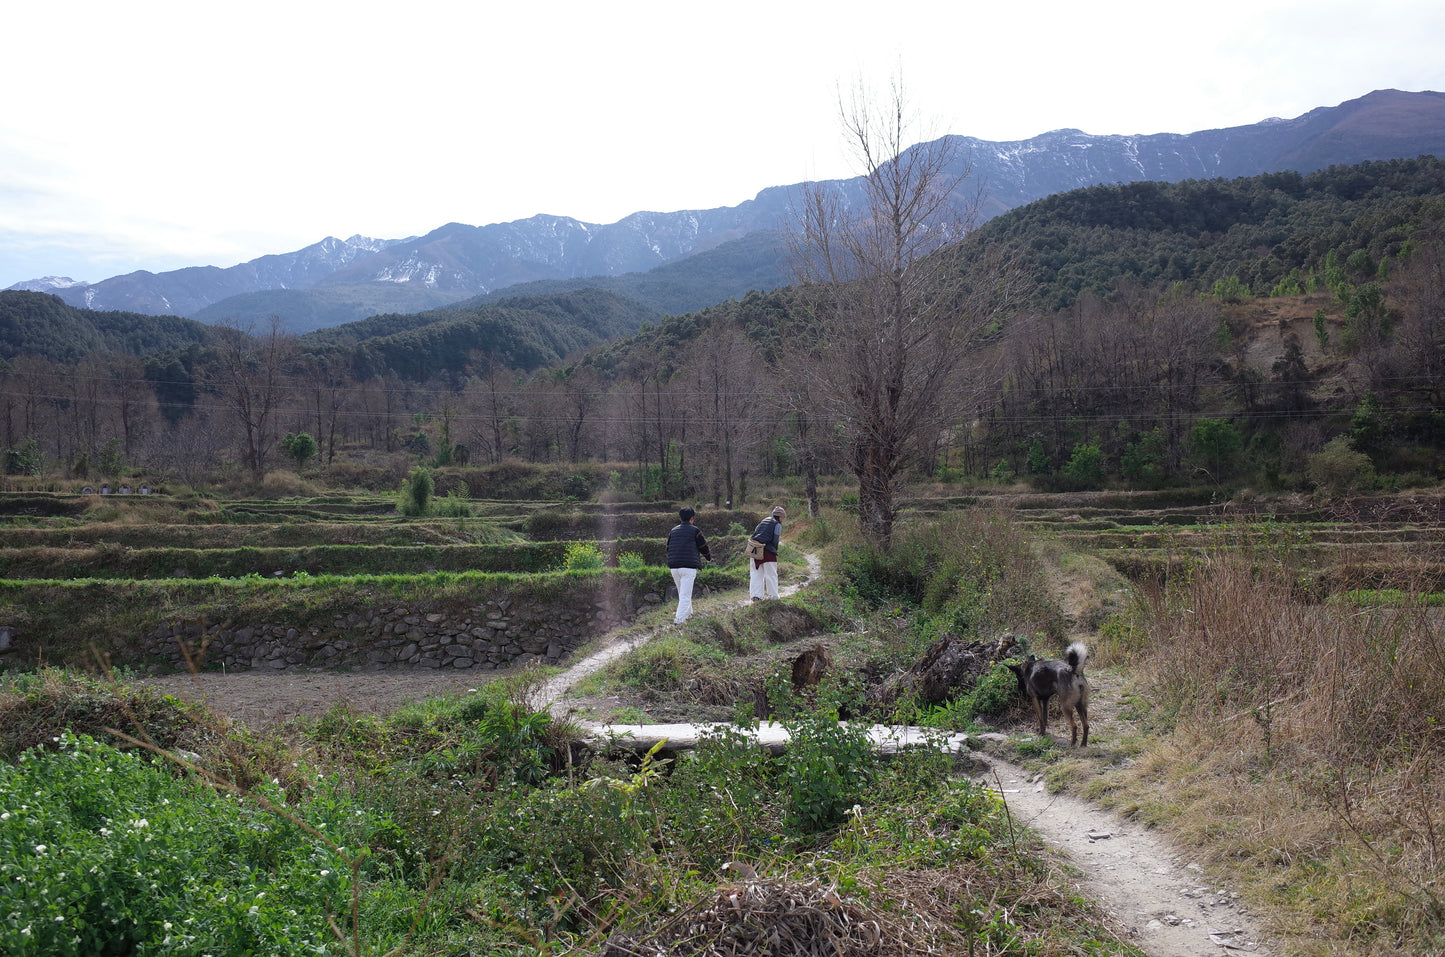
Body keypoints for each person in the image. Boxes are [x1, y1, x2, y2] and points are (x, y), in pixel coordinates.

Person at [666, 506, 711, 623]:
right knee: (685, 596)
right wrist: (708, 557)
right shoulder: (695, 530)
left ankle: (689, 615)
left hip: (674, 567)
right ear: (692, 518)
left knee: (683, 594)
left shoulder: (673, 531)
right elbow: (703, 546)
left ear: (680, 518)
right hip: (688, 567)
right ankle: (679, 621)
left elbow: (668, 548)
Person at [750, 505, 785, 601]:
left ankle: (756, 596)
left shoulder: (764, 520)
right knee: (771, 574)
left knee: (756, 573)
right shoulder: (777, 525)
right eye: (783, 517)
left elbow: (756, 531)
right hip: (768, 552)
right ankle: (773, 597)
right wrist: (774, 550)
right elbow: (775, 540)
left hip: (755, 549)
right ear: (780, 517)